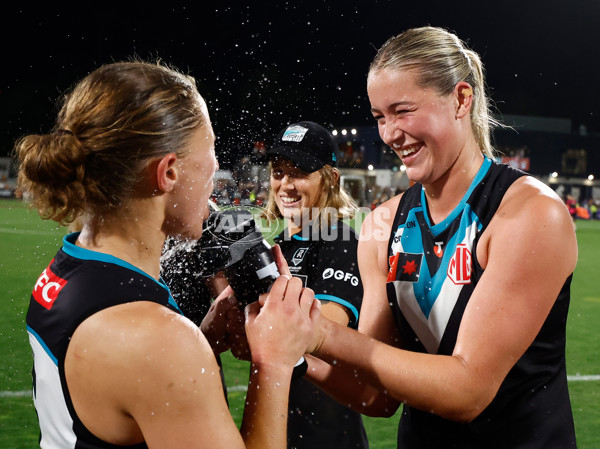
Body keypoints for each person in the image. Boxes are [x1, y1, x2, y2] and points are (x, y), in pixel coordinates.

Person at [298, 26, 578, 448]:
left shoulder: (530, 215)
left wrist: (321, 333)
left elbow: (468, 390)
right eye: (379, 117)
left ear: (461, 100)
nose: (390, 134)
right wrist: (292, 351)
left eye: (403, 111)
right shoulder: (381, 226)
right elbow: (376, 393)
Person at [16, 60, 319, 449]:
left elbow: (121, 392)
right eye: (210, 151)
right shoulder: (156, 339)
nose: (217, 168)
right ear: (168, 173)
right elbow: (147, 357)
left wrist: (201, 340)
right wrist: (274, 361)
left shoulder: (73, 266)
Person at [262, 121, 369, 449]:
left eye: (299, 173)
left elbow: (324, 331)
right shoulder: (280, 243)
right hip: (279, 426)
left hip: (327, 434)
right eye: (279, 172)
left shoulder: (339, 241)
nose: (286, 185)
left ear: (331, 179)